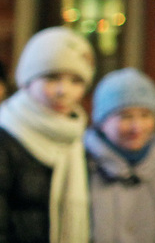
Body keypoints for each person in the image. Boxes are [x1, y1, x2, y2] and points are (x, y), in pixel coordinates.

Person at [0, 26, 95, 243]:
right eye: (52, 78)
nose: (64, 91)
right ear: (27, 80)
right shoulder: (6, 134)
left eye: (76, 81)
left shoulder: (76, 138)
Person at [85, 68, 155, 243]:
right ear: (101, 121)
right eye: (125, 116)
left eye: (145, 115)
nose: (137, 127)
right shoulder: (83, 166)